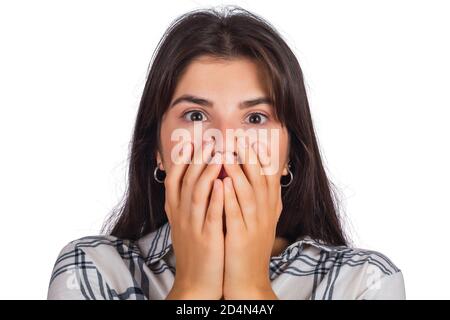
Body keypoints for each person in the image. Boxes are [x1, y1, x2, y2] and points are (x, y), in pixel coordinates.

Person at [47, 6, 405, 300]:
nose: (225, 142)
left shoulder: (364, 281)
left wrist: (250, 288)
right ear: (157, 150)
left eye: (255, 118)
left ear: (289, 156)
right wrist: (194, 286)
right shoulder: (91, 268)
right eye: (196, 116)